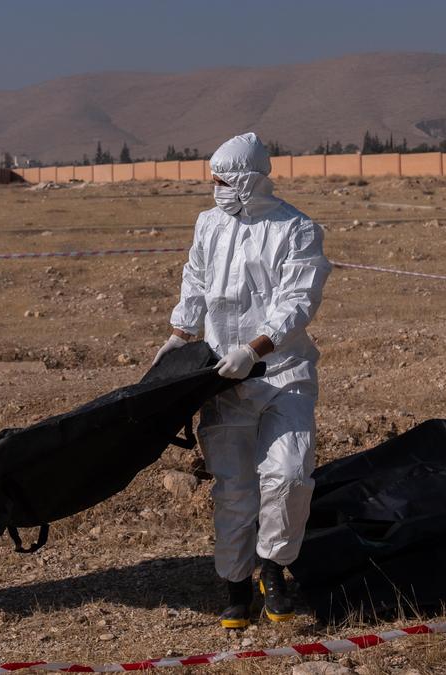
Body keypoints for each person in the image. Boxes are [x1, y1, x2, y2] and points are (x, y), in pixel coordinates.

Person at [153, 132, 330, 628]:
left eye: (224, 181)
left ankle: (272, 566)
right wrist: (179, 335)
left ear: (251, 180)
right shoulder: (208, 224)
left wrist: (254, 349)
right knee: (233, 489)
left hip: (281, 373)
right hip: (221, 379)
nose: (216, 190)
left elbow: (298, 300)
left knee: (290, 475)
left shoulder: (296, 229)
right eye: (213, 182)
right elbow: (196, 280)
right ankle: (235, 584)